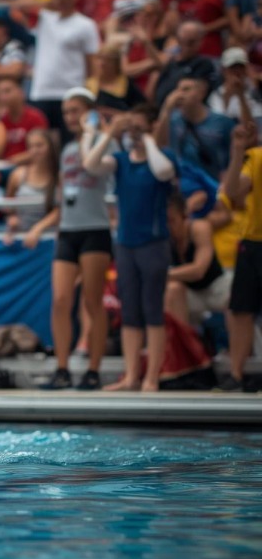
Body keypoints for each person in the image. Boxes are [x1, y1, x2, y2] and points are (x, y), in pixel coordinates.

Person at [84, 105, 178, 392]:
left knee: (152, 309)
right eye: (131, 129)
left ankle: (152, 377)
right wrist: (110, 133)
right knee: (130, 313)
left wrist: (148, 139)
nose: (133, 135)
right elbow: (90, 164)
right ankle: (131, 375)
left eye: (139, 128)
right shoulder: (121, 160)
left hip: (153, 244)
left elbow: (164, 173)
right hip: (126, 244)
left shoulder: (163, 158)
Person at [41, 87, 114, 391]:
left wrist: (92, 131)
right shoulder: (68, 150)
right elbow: (61, 192)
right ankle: (62, 368)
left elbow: (91, 167)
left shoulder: (103, 145)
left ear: (89, 112)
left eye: (76, 111)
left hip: (95, 228)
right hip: (69, 230)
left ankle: (93, 369)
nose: (70, 117)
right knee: (59, 300)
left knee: (92, 302)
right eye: (67, 112)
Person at [16, 0, 100, 139]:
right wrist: (48, 1)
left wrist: (90, 91)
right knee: (43, 144)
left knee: (69, 140)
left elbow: (92, 62)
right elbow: (20, 5)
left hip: (70, 91)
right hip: (41, 91)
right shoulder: (45, 18)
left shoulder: (86, 25)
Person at [220, 121, 262, 391]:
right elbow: (233, 192)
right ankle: (236, 374)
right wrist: (237, 152)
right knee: (241, 311)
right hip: (253, 242)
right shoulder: (256, 157)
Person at [164, 192, 232, 327]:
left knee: (238, 291)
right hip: (191, 294)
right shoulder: (163, 238)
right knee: (172, 290)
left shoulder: (199, 227)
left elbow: (199, 270)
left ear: (184, 216)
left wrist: (164, 274)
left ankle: (240, 345)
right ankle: (181, 344)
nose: (168, 226)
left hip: (216, 287)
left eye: (172, 220)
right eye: (164, 221)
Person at [156, 74, 235, 181]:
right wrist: (166, 109)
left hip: (213, 183)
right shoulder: (174, 120)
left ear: (201, 93)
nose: (179, 94)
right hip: (184, 184)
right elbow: (160, 144)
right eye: (178, 89)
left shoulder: (221, 122)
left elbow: (234, 155)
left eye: (186, 89)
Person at [0, 76, 49, 165]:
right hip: (3, 166)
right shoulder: (0, 120)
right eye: (0, 93)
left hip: (29, 165)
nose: (3, 97)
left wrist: (13, 161)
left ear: (21, 92)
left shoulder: (35, 117)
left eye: (7, 91)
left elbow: (42, 147)